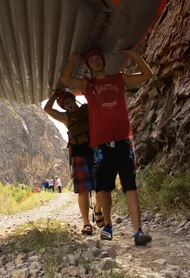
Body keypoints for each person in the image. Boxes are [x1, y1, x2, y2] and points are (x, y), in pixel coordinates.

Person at [60, 48, 153, 246]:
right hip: (101, 144)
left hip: (123, 140)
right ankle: (108, 226)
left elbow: (147, 74)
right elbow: (66, 78)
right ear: (88, 66)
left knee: (130, 186)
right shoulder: (88, 85)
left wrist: (134, 54)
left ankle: (138, 231)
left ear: (103, 61)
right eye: (91, 60)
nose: (95, 61)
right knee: (105, 188)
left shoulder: (119, 79)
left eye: (97, 58)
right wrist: (72, 58)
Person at [43, 91, 97, 235]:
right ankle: (86, 223)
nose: (68, 105)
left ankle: (97, 210)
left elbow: (95, 99)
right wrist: (55, 95)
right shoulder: (65, 117)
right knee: (83, 190)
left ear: (74, 99)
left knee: (101, 187)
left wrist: (86, 89)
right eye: (65, 104)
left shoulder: (87, 108)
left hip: (94, 150)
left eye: (69, 101)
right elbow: (47, 109)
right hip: (78, 154)